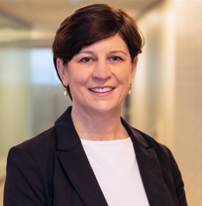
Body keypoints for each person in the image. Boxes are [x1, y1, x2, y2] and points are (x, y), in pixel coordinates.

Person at [4, 4, 187, 206]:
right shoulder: (31, 161)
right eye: (87, 59)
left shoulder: (162, 159)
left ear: (133, 69)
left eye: (115, 58)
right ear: (63, 71)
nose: (102, 73)